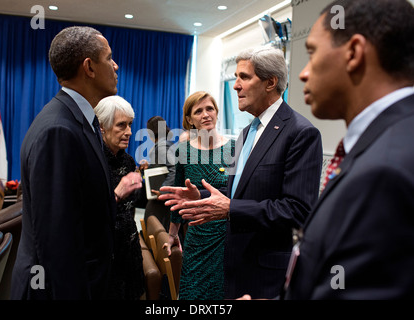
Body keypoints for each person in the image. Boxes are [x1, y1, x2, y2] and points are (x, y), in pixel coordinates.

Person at [160, 48, 323, 299]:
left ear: (271, 82)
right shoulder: (248, 132)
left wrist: (230, 209)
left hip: (264, 275)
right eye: (235, 77)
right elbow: (238, 190)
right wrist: (202, 196)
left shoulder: (300, 133)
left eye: (244, 77)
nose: (235, 86)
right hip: (232, 265)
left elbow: (298, 210)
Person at [282, 0, 414, 299]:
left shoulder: (385, 171)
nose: (303, 74)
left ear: (353, 52)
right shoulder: (385, 143)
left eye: (312, 53)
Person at [11, 26, 119, 299]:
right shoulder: (59, 130)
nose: (115, 65)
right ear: (89, 67)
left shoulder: (78, 121)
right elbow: (58, 243)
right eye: (109, 58)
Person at [165, 91, 235, 300]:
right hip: (196, 239)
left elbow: (239, 194)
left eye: (209, 108)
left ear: (217, 112)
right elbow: (178, 197)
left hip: (227, 238)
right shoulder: (184, 151)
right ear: (189, 119)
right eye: (198, 111)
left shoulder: (234, 148)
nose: (205, 114)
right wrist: (172, 234)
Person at [94, 95, 145, 300]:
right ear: (103, 127)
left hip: (129, 250)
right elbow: (85, 214)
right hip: (104, 257)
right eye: (121, 125)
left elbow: (134, 205)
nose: (129, 132)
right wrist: (116, 194)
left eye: (130, 125)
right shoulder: (92, 160)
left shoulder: (128, 160)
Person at [143, 116, 176, 231]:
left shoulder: (162, 146)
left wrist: (163, 191)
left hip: (161, 200)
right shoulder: (164, 144)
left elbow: (174, 169)